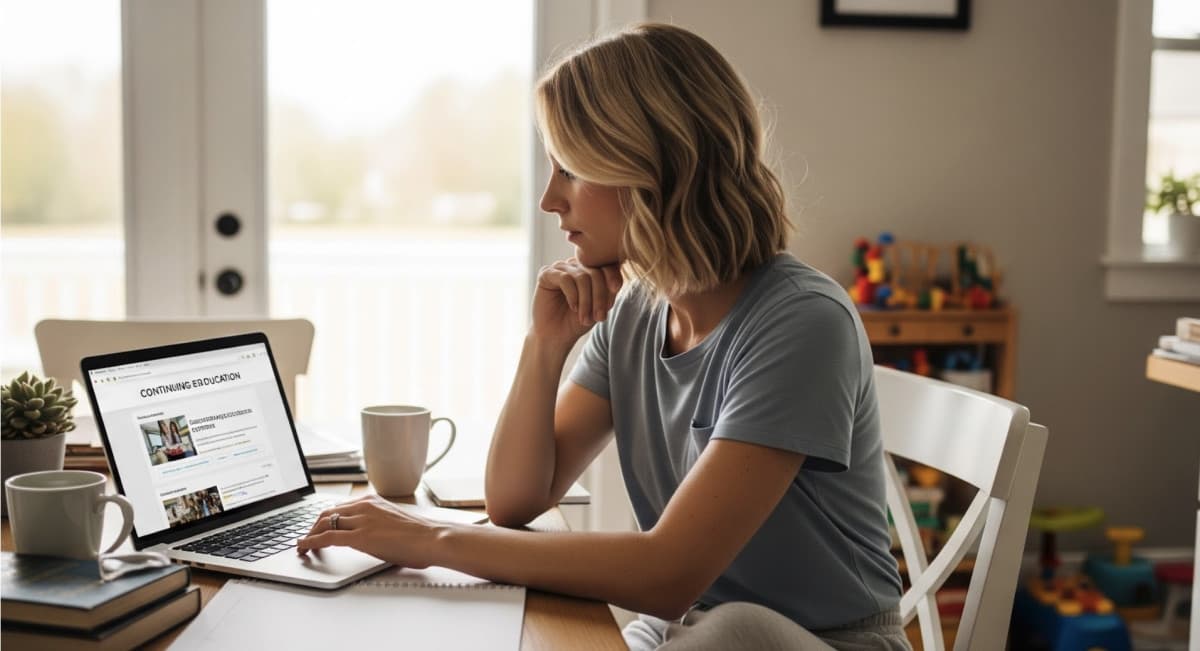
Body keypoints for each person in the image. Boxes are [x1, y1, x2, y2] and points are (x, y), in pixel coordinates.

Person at [299, 23, 909, 650]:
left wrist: (429, 538)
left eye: (570, 168)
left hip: (819, 642)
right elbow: (514, 501)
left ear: (654, 166)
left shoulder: (801, 322)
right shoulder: (638, 313)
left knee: (735, 628)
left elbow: (670, 573)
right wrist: (545, 345)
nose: (548, 200)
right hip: (686, 629)